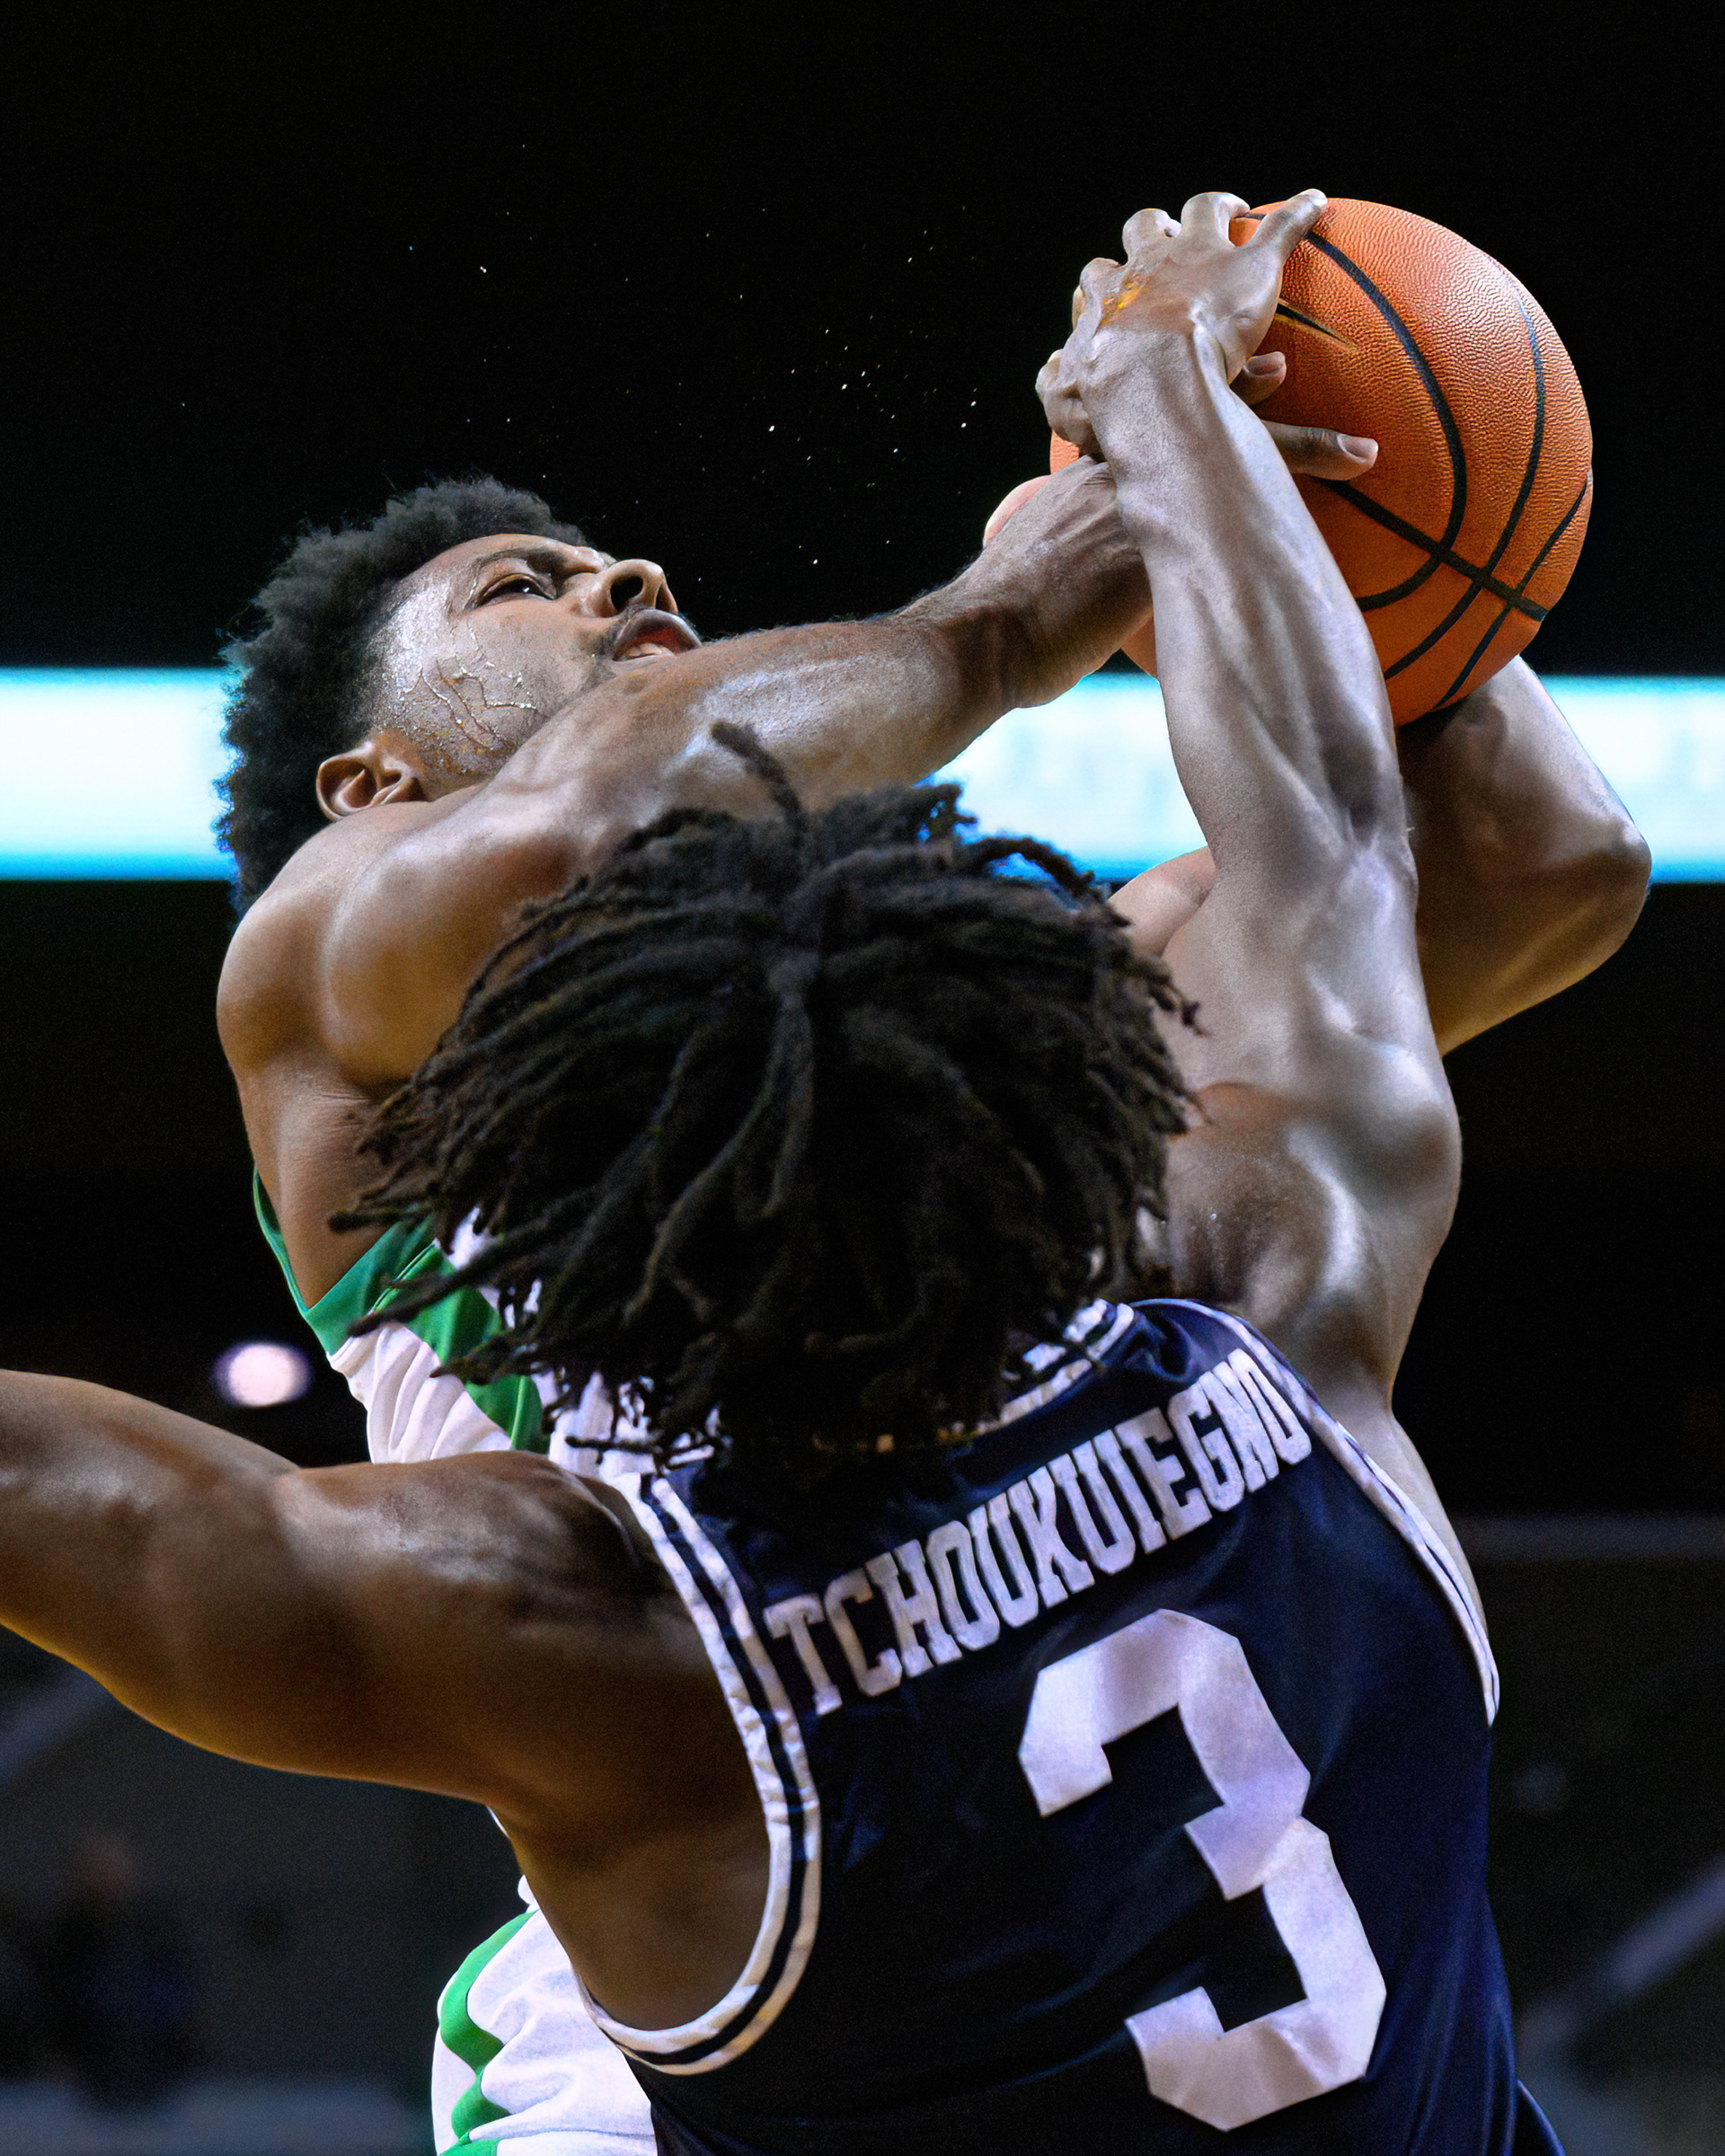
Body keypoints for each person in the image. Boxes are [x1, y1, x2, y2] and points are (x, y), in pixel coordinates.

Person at [0, 190, 1632, 2151]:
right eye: (530, 584)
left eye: (619, 567)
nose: (626, 581)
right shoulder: (337, 993)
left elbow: (1540, 856)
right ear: (371, 787)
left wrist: (1285, 440)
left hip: (796, 1724)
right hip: (680, 1916)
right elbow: (602, 824)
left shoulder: (953, 1051)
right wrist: (1122, 516)